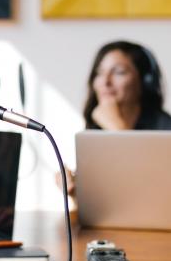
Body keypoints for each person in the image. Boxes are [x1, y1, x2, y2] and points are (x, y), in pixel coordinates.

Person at [57, 40, 171, 196]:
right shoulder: (96, 129)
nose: (105, 82)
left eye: (118, 72)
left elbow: (156, 190)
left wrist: (117, 128)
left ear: (145, 81)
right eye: (99, 73)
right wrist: (77, 190)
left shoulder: (165, 128)